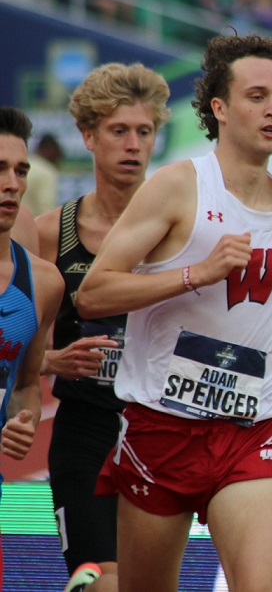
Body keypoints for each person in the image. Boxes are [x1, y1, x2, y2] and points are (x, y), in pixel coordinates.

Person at [75, 33, 272, 592]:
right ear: (219, 107)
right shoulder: (176, 188)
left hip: (251, 431)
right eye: (257, 96)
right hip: (162, 431)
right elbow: (93, 295)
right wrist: (197, 272)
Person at [34, 62, 172, 592]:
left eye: (145, 132)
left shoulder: (179, 232)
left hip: (159, 432)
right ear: (88, 136)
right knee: (100, 584)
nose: (134, 145)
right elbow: (14, 338)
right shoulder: (50, 234)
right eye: (119, 131)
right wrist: (50, 361)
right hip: (85, 433)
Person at [0, 106, 65, 588]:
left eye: (20, 170)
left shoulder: (42, 282)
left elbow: (26, 384)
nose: (13, 183)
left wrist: (23, 419)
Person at [23, 132, 63, 217]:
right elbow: (46, 208)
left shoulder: (22, 165)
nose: (58, 161)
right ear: (51, 150)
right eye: (58, 155)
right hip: (33, 226)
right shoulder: (46, 171)